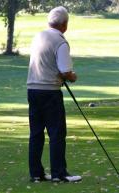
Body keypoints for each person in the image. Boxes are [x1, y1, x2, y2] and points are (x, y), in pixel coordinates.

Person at [27, 6, 82, 183]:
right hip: (50, 92)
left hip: (33, 90)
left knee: (36, 133)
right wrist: (73, 77)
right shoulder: (60, 41)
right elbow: (65, 71)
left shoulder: (38, 36)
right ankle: (59, 174)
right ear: (64, 25)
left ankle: (36, 174)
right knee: (57, 133)